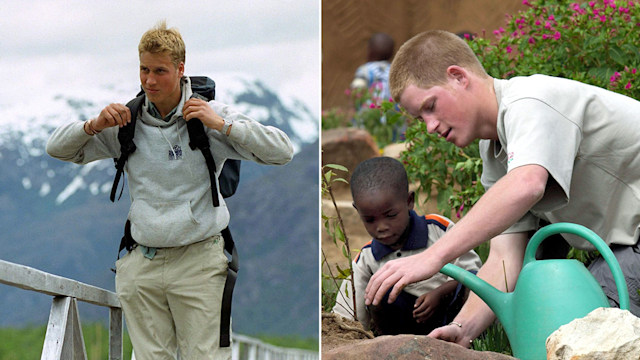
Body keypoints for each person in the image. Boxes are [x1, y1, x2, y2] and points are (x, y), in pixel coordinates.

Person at [364, 29, 640, 348]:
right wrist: (462, 328)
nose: (430, 126)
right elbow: (506, 258)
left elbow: (527, 184)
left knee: (584, 329)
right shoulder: (495, 150)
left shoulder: (531, 101)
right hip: (625, 248)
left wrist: (433, 257)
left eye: (431, 106)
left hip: (631, 245)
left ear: (458, 77)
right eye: (420, 118)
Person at [46, 21, 293, 359]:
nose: (149, 80)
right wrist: (93, 126)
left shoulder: (209, 116)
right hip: (142, 265)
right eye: (144, 69)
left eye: (159, 71)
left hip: (200, 264)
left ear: (180, 69)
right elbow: (56, 149)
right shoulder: (125, 122)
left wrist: (222, 125)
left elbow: (282, 151)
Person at [332, 156, 481, 335]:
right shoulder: (367, 258)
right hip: (401, 330)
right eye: (370, 219)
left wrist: (440, 294)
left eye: (391, 215)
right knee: (378, 291)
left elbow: (472, 273)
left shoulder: (438, 229)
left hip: (452, 319)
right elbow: (348, 313)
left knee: (470, 287)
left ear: (409, 201)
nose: (381, 227)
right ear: (358, 211)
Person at [350, 32, 395, 103]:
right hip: (391, 111)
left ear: (370, 51)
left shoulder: (365, 70)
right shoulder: (394, 71)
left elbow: (357, 90)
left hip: (369, 112)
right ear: (392, 54)